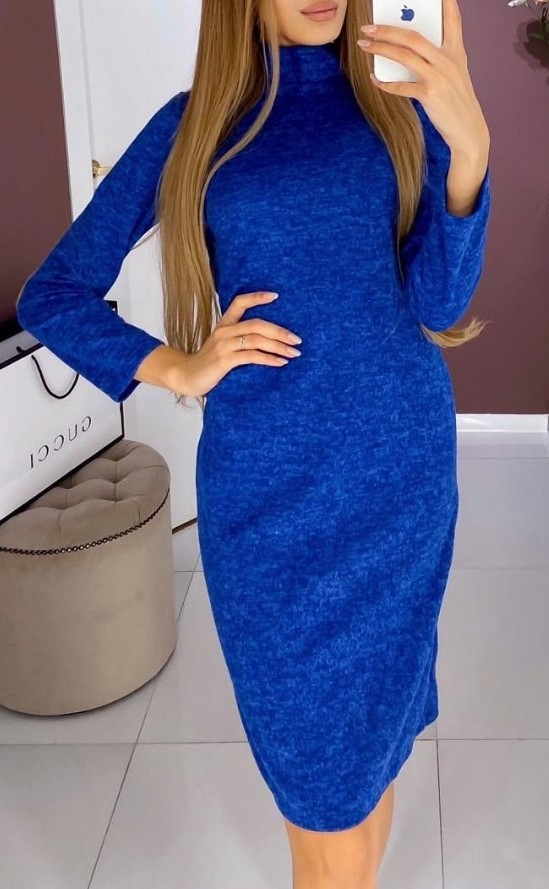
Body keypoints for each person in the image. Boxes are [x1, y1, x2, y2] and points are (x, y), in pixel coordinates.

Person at [16, 0, 491, 886]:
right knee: (322, 794)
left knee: (369, 759)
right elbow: (54, 292)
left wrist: (467, 155)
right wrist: (178, 365)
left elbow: (437, 301)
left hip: (398, 488)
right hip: (269, 514)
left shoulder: (400, 105)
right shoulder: (196, 126)